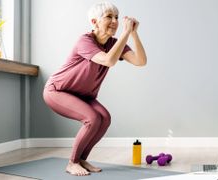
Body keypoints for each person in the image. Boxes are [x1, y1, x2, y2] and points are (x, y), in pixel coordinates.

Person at [43, 1, 146, 176]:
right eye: (108, 17)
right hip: (58, 91)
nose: (114, 21)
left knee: (104, 118)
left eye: (116, 17)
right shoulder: (85, 40)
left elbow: (140, 62)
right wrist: (126, 32)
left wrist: (134, 34)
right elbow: (108, 60)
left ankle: (82, 159)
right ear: (94, 22)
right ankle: (72, 162)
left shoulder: (115, 43)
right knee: (92, 118)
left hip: (84, 96)